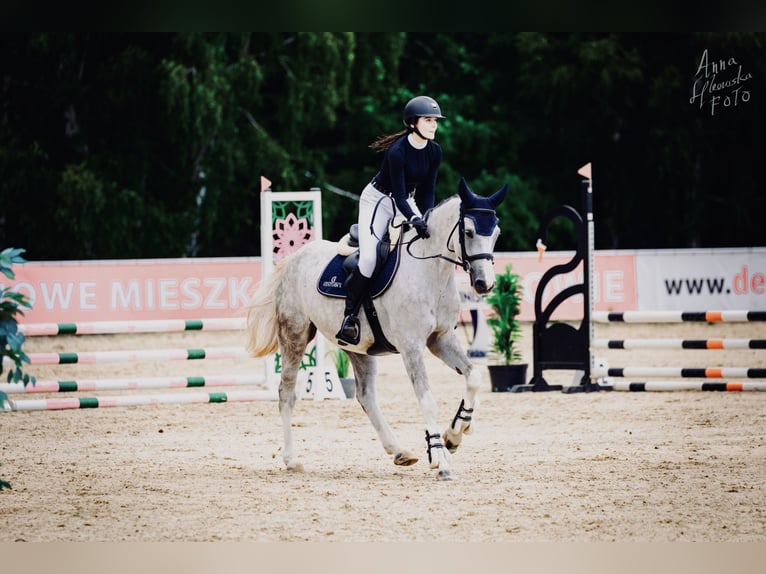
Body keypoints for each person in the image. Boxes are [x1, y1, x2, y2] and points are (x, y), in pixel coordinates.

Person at [336, 95, 445, 346]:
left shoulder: (434, 151)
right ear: (412, 123)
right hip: (378, 201)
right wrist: (415, 218)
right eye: (428, 120)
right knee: (370, 257)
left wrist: (425, 218)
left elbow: (428, 191)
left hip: (407, 200)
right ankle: (349, 318)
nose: (433, 125)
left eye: (435, 121)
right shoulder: (397, 152)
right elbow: (396, 196)